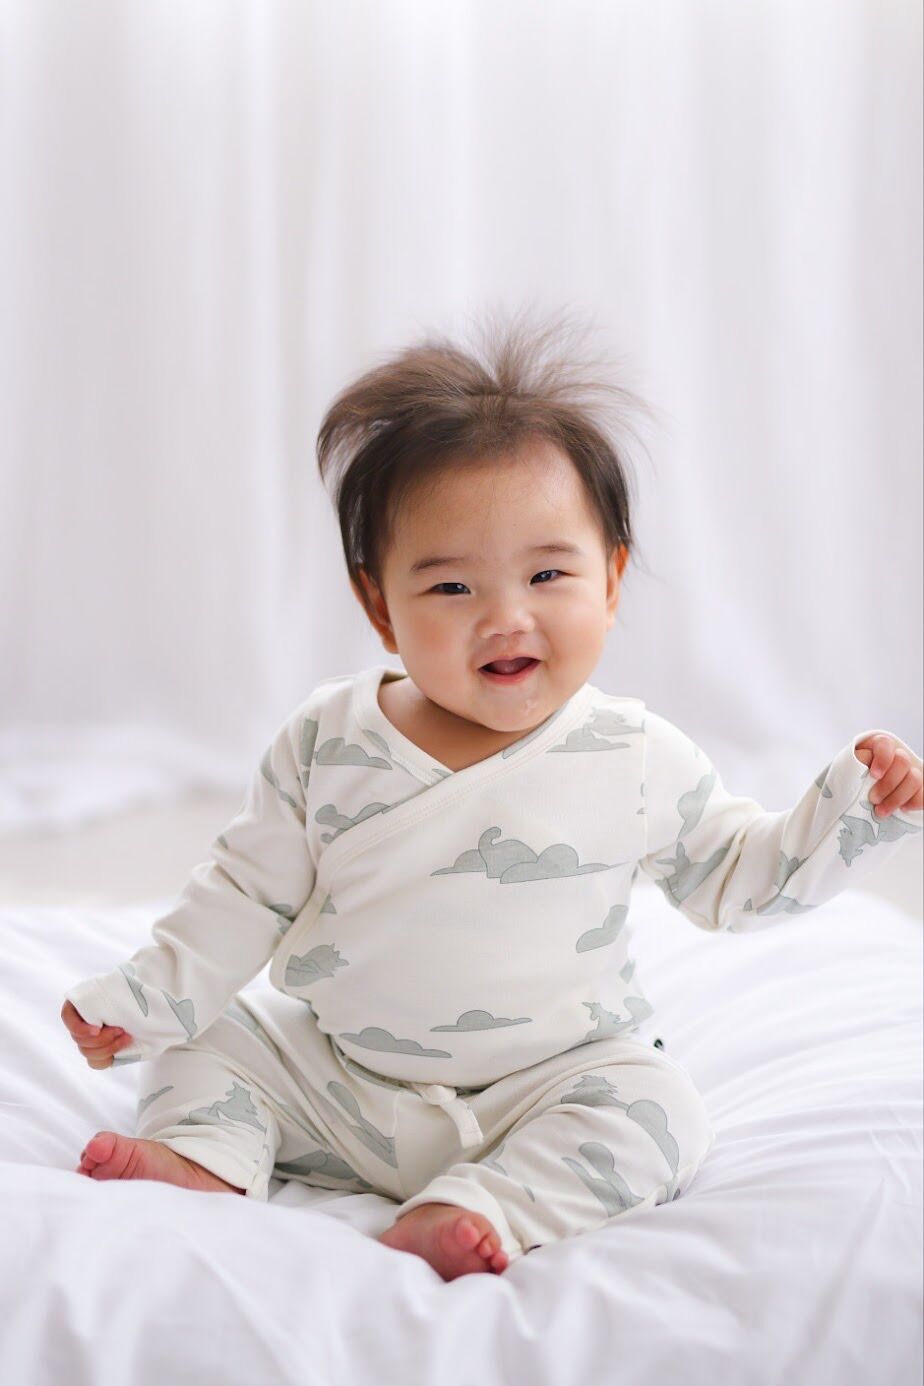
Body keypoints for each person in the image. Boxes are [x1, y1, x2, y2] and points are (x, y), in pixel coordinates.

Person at [61, 312, 924, 1281]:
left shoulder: (631, 753)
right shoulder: (325, 742)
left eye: (549, 573)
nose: (506, 617)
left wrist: (856, 808)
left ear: (612, 580)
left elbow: (737, 876)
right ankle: (208, 1158)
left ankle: (480, 1203)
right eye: (452, 589)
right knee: (207, 1040)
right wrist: (146, 1002)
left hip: (540, 1088)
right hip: (344, 1085)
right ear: (379, 607)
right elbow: (241, 894)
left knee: (661, 1114)